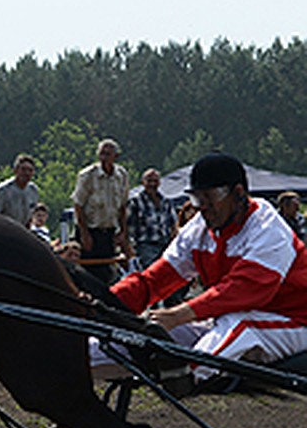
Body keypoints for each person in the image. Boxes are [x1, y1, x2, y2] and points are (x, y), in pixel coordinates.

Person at [112, 153, 307, 369]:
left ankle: (188, 373)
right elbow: (154, 280)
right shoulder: (199, 229)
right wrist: (103, 303)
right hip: (230, 320)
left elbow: (244, 290)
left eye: (209, 197)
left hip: (294, 320)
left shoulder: (268, 228)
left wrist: (178, 314)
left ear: (238, 193)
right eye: (197, 199)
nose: (202, 207)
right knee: (154, 330)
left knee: (240, 324)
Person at [72, 138, 131, 284]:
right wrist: (85, 234)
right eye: (102, 154)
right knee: (87, 273)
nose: (104, 157)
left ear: (115, 156)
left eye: (108, 154)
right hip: (89, 230)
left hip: (109, 232)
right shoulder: (88, 175)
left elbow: (123, 206)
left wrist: (123, 232)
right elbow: (78, 205)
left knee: (107, 272)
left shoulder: (121, 175)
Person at [127, 168, 178, 271]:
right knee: (153, 271)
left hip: (166, 244)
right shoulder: (135, 202)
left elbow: (173, 225)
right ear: (143, 182)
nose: (152, 184)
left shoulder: (166, 201)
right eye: (149, 181)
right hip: (146, 245)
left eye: (155, 181)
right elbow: (128, 227)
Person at [0, 154, 39, 225]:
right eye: (23, 169)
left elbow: (31, 215)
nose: (27, 173)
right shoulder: (3, 190)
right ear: (15, 170)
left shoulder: (33, 190)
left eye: (30, 170)